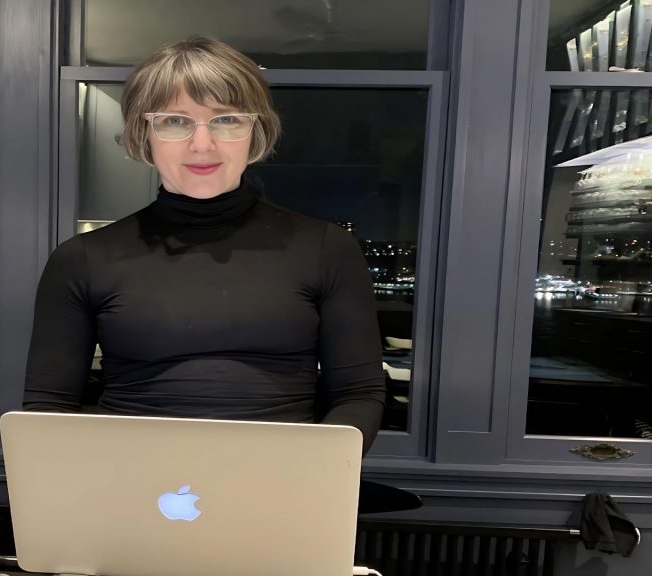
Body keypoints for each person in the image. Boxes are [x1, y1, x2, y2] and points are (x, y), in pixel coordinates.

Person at [23, 36, 386, 452]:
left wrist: (313, 470)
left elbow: (359, 395)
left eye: (226, 119)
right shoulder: (81, 259)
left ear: (256, 130)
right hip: (128, 490)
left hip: (284, 486)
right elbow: (47, 409)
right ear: (145, 133)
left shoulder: (326, 248)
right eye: (175, 121)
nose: (202, 144)